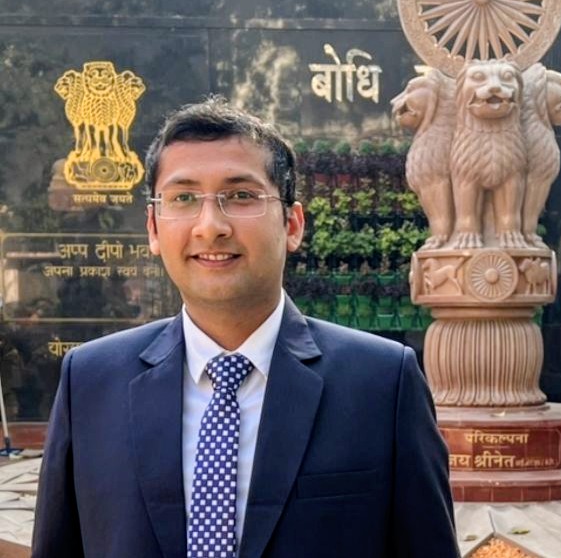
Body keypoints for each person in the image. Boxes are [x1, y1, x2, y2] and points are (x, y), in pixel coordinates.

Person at [32, 98, 460, 558]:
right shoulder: (91, 381)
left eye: (240, 196)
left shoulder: (382, 383)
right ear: (153, 227)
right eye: (183, 198)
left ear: (292, 224)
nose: (210, 226)